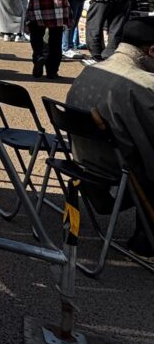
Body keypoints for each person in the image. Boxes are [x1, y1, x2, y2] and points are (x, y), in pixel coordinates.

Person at [66, 17, 154, 261]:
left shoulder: (90, 70)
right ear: (152, 51)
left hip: (84, 161)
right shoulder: (143, 84)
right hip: (123, 171)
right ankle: (145, 240)